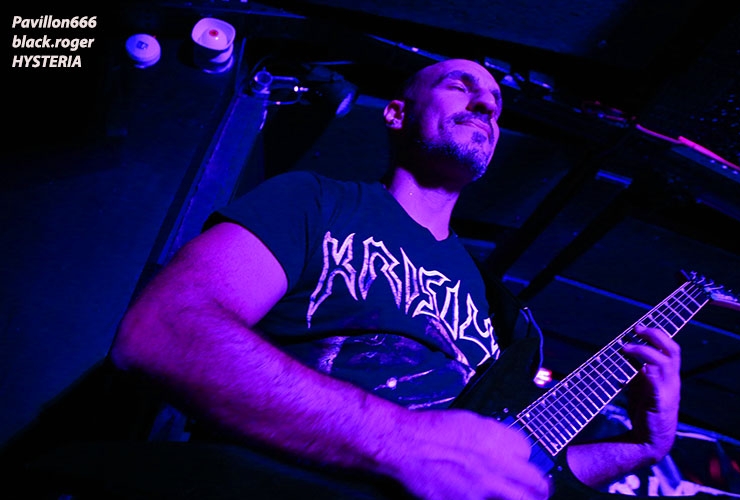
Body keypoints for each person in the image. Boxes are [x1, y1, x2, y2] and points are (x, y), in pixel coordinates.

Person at [110, 58, 681, 500]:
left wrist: (643, 447)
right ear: (396, 114)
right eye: (460, 86)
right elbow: (162, 331)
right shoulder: (316, 201)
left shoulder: (507, 319)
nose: (487, 104)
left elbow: (521, 470)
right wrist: (399, 440)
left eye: (496, 104)